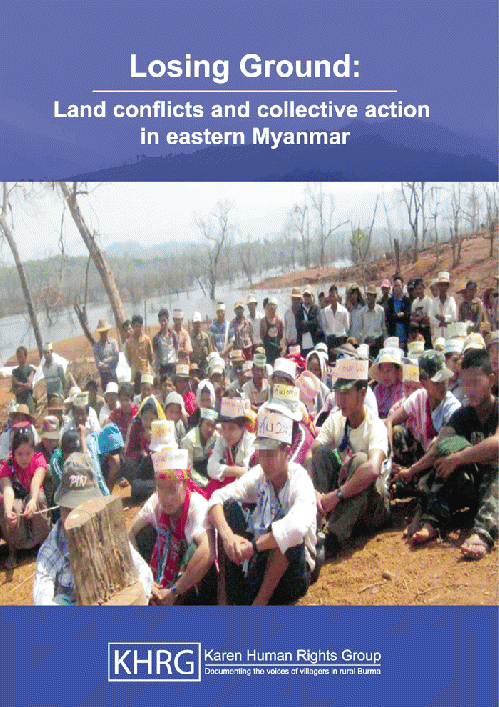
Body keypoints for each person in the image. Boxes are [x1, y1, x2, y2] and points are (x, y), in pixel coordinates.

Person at [208, 406, 316, 605]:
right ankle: (226, 597)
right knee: (229, 509)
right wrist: (228, 535)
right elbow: (216, 498)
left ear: (287, 452)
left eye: (270, 454)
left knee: (286, 528)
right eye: (261, 452)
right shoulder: (259, 474)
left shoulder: (300, 480)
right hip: (260, 557)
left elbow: (296, 528)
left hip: (294, 572)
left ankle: (259, 603)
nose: (264, 461)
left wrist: (254, 546)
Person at [33, 452, 152, 604]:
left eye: (82, 507)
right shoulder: (53, 546)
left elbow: (144, 572)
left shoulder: (108, 531)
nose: (76, 517)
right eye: (69, 509)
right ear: (60, 507)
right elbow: (41, 598)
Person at [409, 349, 497, 552]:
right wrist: (413, 469)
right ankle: (434, 521)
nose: (469, 390)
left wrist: (460, 457)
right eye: (465, 384)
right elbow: (440, 443)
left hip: (496, 490)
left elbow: (496, 443)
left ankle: (482, 533)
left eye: (476, 383)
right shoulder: (463, 414)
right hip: (476, 489)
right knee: (445, 458)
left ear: (491, 380)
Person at [307, 357, 390, 555]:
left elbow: (373, 469)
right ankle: (315, 524)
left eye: (345, 393)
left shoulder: (375, 425)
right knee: (321, 454)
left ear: (362, 394)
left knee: (362, 461)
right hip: (345, 501)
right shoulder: (337, 420)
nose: (339, 400)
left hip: (373, 509)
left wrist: (338, 494)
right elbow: (311, 452)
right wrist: (315, 491)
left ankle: (333, 537)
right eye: (337, 393)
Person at [129, 448, 216, 605]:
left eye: (172, 489)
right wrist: (145, 577)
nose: (166, 497)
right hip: (163, 576)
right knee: (141, 535)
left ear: (185, 485)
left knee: (195, 550)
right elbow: (130, 532)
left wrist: (175, 591)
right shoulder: (156, 501)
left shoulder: (197, 505)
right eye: (160, 487)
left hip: (189, 583)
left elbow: (208, 553)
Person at [0, 427, 51, 568]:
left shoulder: (39, 459)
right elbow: (8, 489)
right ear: (13, 452)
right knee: (11, 507)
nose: (24, 458)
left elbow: (36, 481)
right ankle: (13, 550)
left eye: (28, 453)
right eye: (19, 454)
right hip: (17, 499)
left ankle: (43, 543)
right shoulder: (6, 466)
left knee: (40, 498)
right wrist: (8, 511)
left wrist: (33, 500)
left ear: (33, 451)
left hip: (32, 496)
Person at [206, 394, 255, 495]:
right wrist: (237, 470)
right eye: (223, 427)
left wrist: (225, 471)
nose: (226, 433)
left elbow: (250, 474)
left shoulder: (251, 441)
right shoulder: (221, 439)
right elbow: (210, 468)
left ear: (242, 428)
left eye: (232, 428)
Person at [181, 407, 219, 485]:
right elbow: (188, 469)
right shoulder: (188, 440)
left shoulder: (215, 436)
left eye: (213, 426)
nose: (209, 429)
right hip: (192, 475)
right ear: (200, 422)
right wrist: (205, 483)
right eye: (207, 424)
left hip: (207, 469)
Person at [369, 347, 404, 419]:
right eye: (382, 370)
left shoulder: (403, 388)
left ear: (397, 370)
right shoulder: (378, 390)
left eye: (389, 370)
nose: (385, 375)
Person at [125, 314, 154, 395]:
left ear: (142, 326)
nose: (138, 329)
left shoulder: (146, 339)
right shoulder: (129, 342)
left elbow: (151, 356)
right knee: (136, 394)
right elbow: (128, 358)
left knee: (148, 393)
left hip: (146, 371)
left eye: (139, 326)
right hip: (135, 373)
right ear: (132, 327)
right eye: (136, 326)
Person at [321, 285, 349, 357]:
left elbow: (347, 327)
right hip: (330, 341)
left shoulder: (344, 311)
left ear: (337, 296)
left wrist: (339, 333)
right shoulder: (325, 311)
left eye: (334, 296)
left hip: (341, 340)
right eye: (330, 296)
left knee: (341, 361)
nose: (332, 299)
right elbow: (324, 326)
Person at [428, 271, 457, 341]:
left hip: (449, 335)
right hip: (438, 335)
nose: (443, 287)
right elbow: (431, 318)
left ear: (447, 287)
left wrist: (444, 318)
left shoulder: (451, 300)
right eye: (441, 285)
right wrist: (440, 324)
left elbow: (454, 317)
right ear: (438, 286)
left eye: (445, 285)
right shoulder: (434, 301)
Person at [385, 275, 411, 352]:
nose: (397, 288)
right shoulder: (389, 302)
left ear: (403, 286)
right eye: (395, 286)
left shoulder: (407, 301)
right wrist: (398, 315)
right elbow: (388, 318)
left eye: (399, 285)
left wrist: (396, 317)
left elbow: (408, 316)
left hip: (405, 338)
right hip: (393, 339)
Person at [359, 285, 385, 359]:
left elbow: (383, 327)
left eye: (371, 295)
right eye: (368, 295)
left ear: (375, 297)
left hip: (378, 342)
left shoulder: (381, 310)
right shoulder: (362, 311)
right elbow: (361, 328)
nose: (369, 297)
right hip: (367, 343)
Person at [93, 318, 119, 389]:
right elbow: (98, 364)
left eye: (105, 332)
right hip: (104, 376)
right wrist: (109, 363)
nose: (104, 334)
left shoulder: (113, 342)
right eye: (102, 332)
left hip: (114, 374)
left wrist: (105, 361)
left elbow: (116, 358)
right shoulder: (96, 347)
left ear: (107, 331)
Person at [296, 285, 323, 354]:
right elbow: (298, 326)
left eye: (309, 295)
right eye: (305, 295)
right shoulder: (299, 310)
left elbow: (316, 323)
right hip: (302, 346)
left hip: (314, 343)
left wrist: (304, 324)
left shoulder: (316, 308)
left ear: (312, 296)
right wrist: (309, 325)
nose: (307, 297)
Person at [152, 308, 178, 378]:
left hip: (173, 366)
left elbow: (176, 349)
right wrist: (156, 370)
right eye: (161, 321)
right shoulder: (156, 338)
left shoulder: (174, 335)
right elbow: (155, 355)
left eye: (164, 320)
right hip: (163, 367)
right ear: (159, 322)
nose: (163, 323)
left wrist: (176, 363)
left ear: (168, 320)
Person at [11, 346, 36, 414]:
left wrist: (18, 383)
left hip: (28, 400)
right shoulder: (15, 372)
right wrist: (24, 387)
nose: (20, 359)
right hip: (19, 401)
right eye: (18, 357)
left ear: (25, 357)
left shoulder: (30, 369)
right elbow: (14, 390)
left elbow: (29, 386)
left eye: (22, 356)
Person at [260, 296, 284, 366]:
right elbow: (261, 337)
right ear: (267, 307)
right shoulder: (263, 321)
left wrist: (282, 351)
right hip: (267, 353)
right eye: (270, 306)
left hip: (277, 352)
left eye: (273, 306)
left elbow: (282, 337)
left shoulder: (279, 320)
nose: (272, 308)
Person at [410, 278, 432, 349]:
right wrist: (421, 317)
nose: (418, 291)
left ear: (423, 288)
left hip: (426, 331)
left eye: (420, 288)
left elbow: (428, 319)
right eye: (417, 289)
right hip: (417, 332)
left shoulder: (428, 301)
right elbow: (412, 318)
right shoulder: (415, 302)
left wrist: (418, 319)